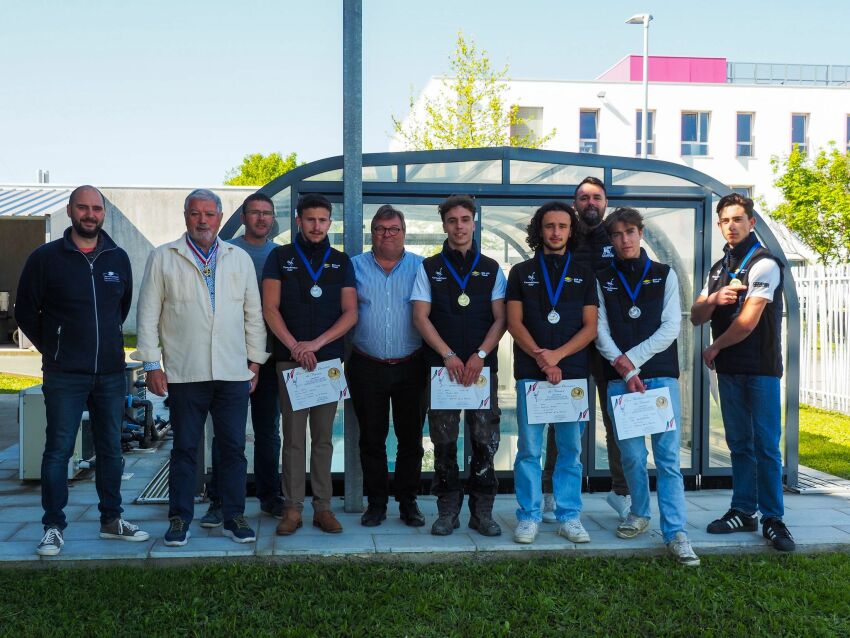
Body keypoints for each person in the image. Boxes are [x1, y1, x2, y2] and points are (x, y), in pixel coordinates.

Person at [15, 185, 149, 556]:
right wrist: (56, 348)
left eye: (96, 209)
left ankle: (111, 519)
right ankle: (53, 526)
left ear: (102, 213)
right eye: (83, 208)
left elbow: (120, 309)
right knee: (58, 450)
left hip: (109, 372)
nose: (90, 215)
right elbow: (26, 312)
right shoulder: (45, 258)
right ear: (70, 211)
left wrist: (104, 345)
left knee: (111, 449)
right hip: (64, 374)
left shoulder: (118, 258)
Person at [133, 188, 268, 546]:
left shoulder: (237, 259)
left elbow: (252, 314)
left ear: (221, 219)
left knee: (234, 449)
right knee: (185, 449)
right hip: (184, 373)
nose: (203, 220)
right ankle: (179, 519)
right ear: (186, 216)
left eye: (210, 214)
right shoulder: (163, 257)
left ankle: (233, 515)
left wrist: (255, 361)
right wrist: (151, 365)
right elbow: (147, 315)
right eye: (196, 213)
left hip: (232, 373)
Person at [690, 193, 795, 552]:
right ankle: (743, 509)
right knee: (738, 444)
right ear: (719, 226)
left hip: (760, 368)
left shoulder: (765, 263)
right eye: (724, 221)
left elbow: (748, 322)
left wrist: (715, 346)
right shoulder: (719, 269)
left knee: (766, 444)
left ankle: (772, 518)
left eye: (738, 219)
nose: (731, 226)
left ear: (751, 222)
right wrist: (714, 300)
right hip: (730, 371)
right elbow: (696, 315)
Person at [596, 207, 699, 566]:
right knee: (633, 457)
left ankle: (676, 532)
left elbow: (672, 326)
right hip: (620, 381)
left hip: (659, 378)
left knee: (668, 459)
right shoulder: (603, 278)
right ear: (610, 240)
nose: (624, 239)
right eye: (617, 234)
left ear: (640, 233)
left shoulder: (663, 274)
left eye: (630, 232)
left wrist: (632, 361)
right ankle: (639, 513)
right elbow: (599, 330)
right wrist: (624, 370)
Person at [411, 194, 507, 537]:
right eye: (452, 220)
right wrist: (449, 355)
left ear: (474, 222)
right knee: (444, 442)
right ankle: (448, 510)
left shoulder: (492, 268)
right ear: (444, 225)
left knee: (485, 441)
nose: (459, 226)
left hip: (480, 371)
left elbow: (501, 319)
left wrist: (480, 355)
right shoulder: (429, 267)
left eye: (465, 219)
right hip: (443, 370)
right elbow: (420, 317)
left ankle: (482, 512)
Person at [262, 193, 357, 535]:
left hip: (327, 364)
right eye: (310, 219)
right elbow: (270, 308)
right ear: (299, 221)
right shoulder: (280, 257)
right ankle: (292, 508)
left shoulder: (341, 261)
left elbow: (350, 313)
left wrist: (314, 346)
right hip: (290, 363)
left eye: (323, 220)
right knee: (293, 439)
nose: (317, 226)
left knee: (323, 439)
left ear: (330, 223)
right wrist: (295, 347)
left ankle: (323, 508)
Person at [506, 202, 598, 545]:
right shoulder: (520, 272)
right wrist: (543, 361)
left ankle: (569, 516)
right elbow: (514, 323)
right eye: (549, 226)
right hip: (532, 373)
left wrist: (557, 357)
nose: (556, 232)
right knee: (529, 450)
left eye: (562, 226)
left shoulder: (584, 274)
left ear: (570, 231)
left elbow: (590, 328)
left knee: (570, 451)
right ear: (539, 230)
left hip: (572, 374)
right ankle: (528, 516)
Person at [541, 176, 631, 523]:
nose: (590, 203)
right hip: (571, 342)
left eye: (596, 197)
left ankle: (621, 492)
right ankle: (550, 491)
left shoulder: (620, 235)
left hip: (611, 344)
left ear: (605, 202)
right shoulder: (564, 235)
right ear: (574, 203)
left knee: (616, 419)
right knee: (561, 417)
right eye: (583, 198)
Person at [200, 193, 284, 528]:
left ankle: (269, 496)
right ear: (244, 216)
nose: (261, 219)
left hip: (269, 355)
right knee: (227, 433)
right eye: (255, 213)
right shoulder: (224, 251)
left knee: (268, 431)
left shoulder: (280, 255)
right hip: (230, 355)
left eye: (267, 213)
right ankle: (219, 500)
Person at [350, 205, 427, 527]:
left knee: (411, 439)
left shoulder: (422, 267)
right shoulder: (353, 267)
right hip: (367, 366)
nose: (387, 234)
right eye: (381, 229)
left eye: (393, 228)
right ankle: (377, 503)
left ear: (404, 232)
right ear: (372, 233)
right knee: (371, 438)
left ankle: (408, 502)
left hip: (412, 365)